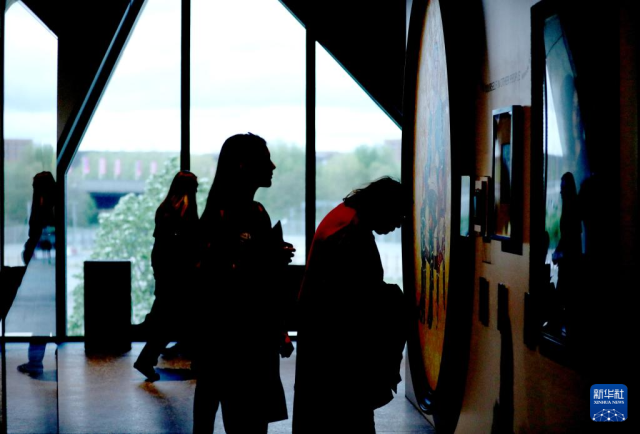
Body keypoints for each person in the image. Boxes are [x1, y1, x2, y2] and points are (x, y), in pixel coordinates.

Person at [193, 133, 295, 434]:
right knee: (248, 423)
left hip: (244, 337)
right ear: (243, 165)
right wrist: (268, 258)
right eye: (266, 160)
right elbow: (224, 281)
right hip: (237, 340)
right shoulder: (229, 217)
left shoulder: (249, 213)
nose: (272, 166)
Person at [292, 177, 408, 434]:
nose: (399, 224)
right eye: (398, 216)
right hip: (337, 355)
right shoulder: (351, 233)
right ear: (384, 207)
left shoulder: (344, 217)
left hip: (322, 345)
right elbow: (354, 301)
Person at [134, 170, 200, 381]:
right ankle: (149, 358)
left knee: (169, 319)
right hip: (179, 272)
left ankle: (147, 358)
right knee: (182, 317)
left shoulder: (165, 208)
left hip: (167, 270)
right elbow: (189, 242)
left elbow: (162, 243)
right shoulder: (185, 210)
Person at [14, 171, 56, 377]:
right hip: (49, 267)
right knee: (49, 316)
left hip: (40, 267)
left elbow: (34, 234)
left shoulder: (42, 210)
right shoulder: (55, 208)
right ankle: (42, 358)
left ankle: (35, 362)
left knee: (41, 319)